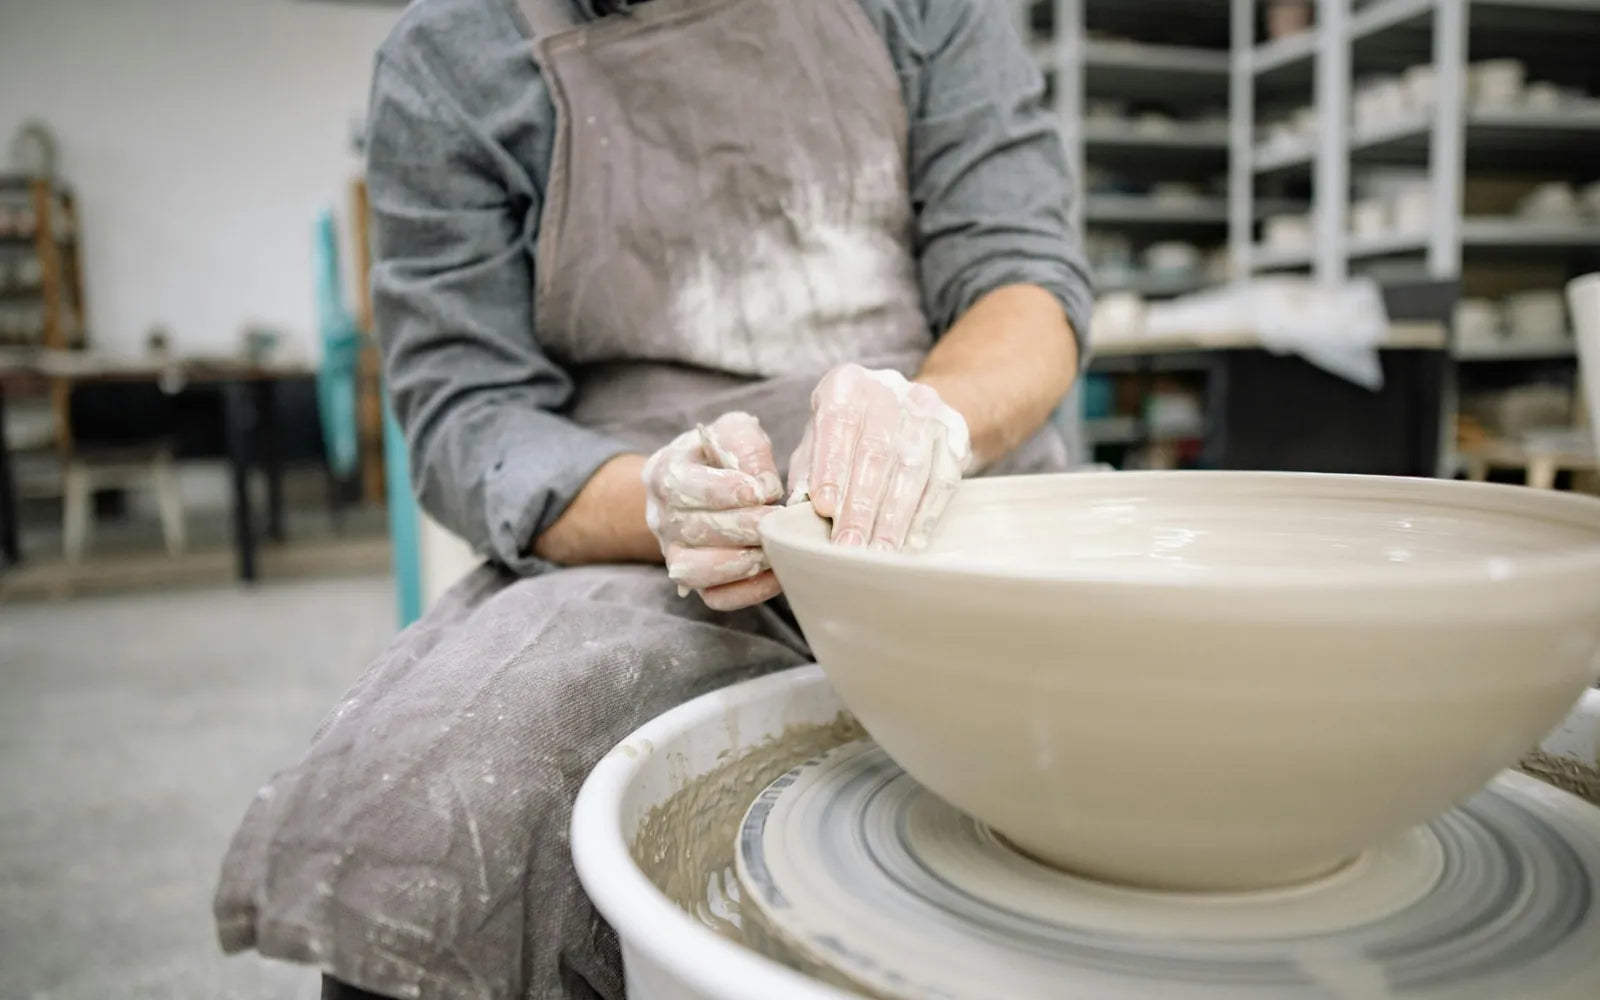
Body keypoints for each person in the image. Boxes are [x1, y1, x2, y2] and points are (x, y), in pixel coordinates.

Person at [213, 0, 1091, 995]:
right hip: (647, 516)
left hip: (950, 468)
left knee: (1158, 719)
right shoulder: (450, 53)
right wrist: (665, 505)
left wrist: (935, 418)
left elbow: (1020, 281)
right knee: (422, 828)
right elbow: (469, 411)